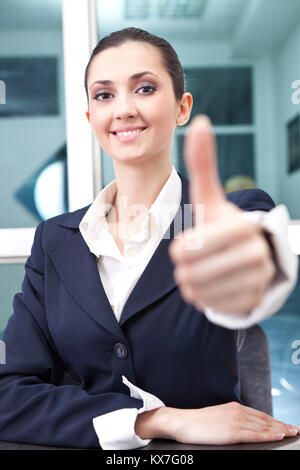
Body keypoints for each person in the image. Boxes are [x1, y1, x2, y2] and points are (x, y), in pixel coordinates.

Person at [0, 27, 298, 450]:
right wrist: (157, 421)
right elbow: (7, 394)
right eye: (104, 95)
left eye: (144, 88)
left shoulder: (227, 216)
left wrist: (251, 274)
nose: (123, 109)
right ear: (90, 118)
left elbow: (257, 261)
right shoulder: (55, 242)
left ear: (182, 107)